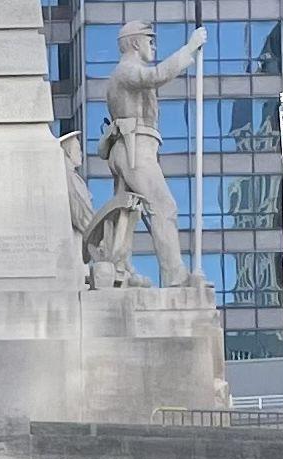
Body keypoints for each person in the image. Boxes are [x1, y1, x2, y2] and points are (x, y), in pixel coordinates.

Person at [100, 19, 206, 287]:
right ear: (135, 42)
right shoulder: (126, 70)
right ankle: (175, 277)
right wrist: (189, 49)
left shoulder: (127, 72)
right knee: (164, 206)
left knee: (133, 211)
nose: (154, 46)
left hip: (139, 147)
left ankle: (120, 268)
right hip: (134, 148)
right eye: (150, 40)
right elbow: (155, 76)